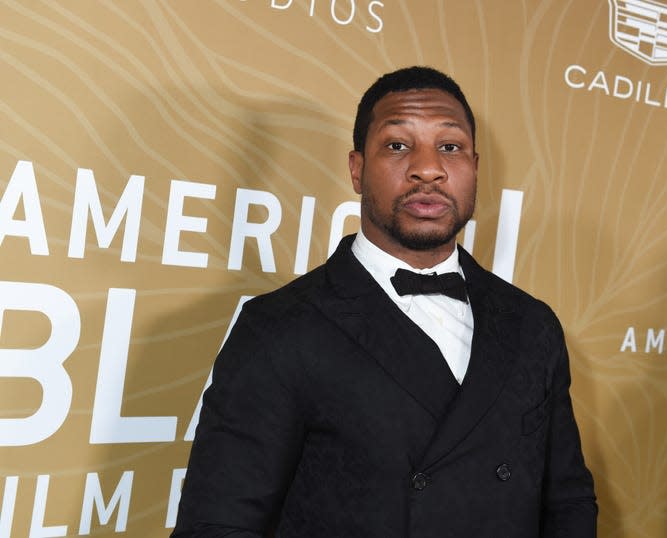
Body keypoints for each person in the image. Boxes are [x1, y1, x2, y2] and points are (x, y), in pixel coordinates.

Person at [172, 66, 597, 537]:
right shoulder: (279, 327)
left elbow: (568, 501)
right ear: (357, 170)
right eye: (398, 145)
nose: (428, 167)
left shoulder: (532, 325)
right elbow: (219, 524)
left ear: (474, 168)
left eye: (449, 147)